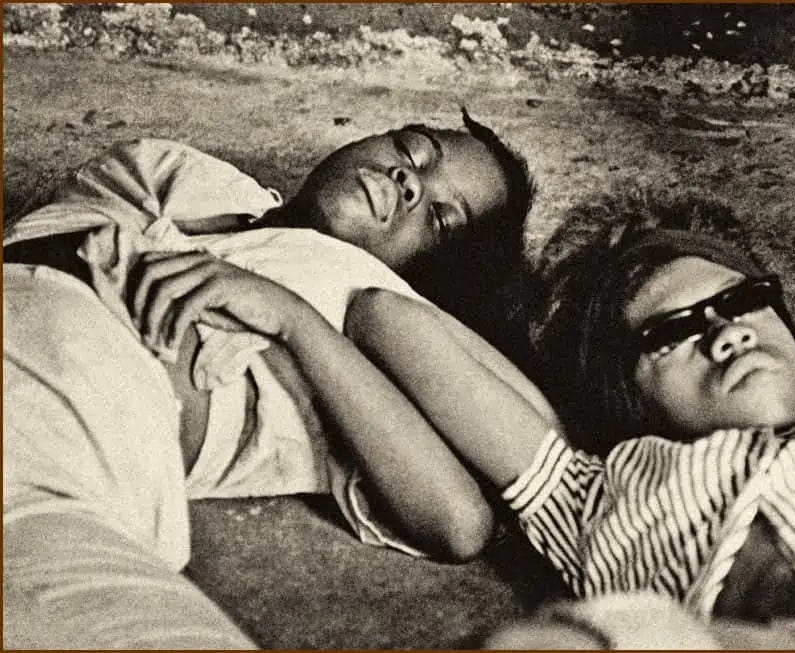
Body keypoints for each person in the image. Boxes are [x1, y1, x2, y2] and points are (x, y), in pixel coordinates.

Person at [341, 133, 795, 633]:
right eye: (670, 334)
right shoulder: (594, 500)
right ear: (631, 404)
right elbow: (381, 314)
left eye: (742, 300)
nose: (727, 334)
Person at [3, 111, 535, 648]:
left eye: (442, 220)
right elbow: (63, 226)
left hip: (59, 463)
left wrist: (292, 319)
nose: (409, 180)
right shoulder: (187, 175)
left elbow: (459, 519)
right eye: (415, 150)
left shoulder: (368, 309)